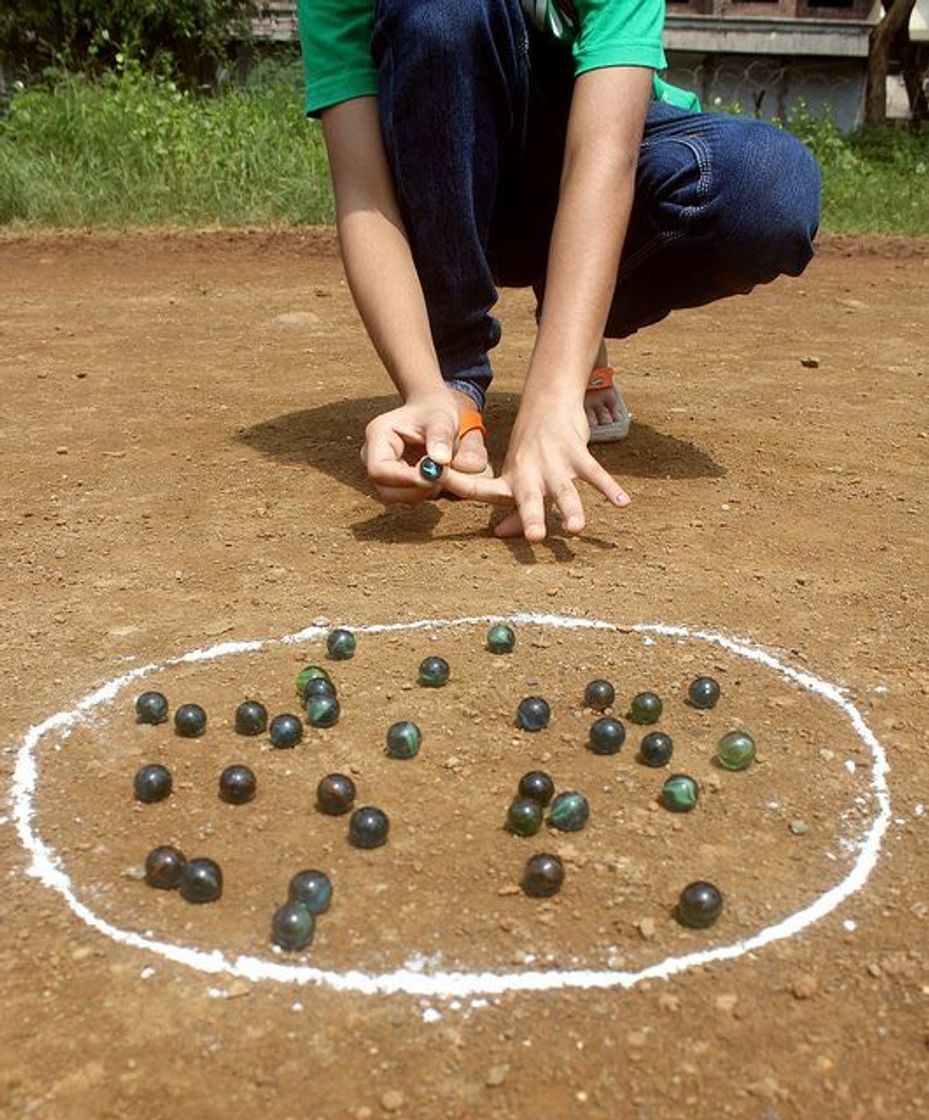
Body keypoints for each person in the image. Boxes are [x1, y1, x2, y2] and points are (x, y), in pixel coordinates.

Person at [296, 0, 820, 541]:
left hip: (599, 153)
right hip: (454, 186)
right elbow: (365, 196)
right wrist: (423, 386)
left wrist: (553, 393)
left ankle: (572, 325)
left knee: (770, 187)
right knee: (440, 11)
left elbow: (605, 151)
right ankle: (453, 380)